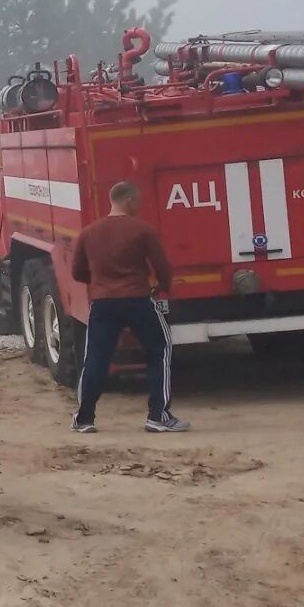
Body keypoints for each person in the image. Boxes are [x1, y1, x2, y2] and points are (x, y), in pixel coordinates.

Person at [70, 180, 186, 434]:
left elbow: (77, 271)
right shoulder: (142, 230)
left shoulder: (88, 232)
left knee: (96, 358)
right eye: (138, 201)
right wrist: (163, 286)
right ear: (129, 200)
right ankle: (158, 416)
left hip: (102, 303)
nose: (139, 205)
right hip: (137, 300)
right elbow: (162, 265)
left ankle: (84, 418)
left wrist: (101, 284)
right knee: (159, 349)